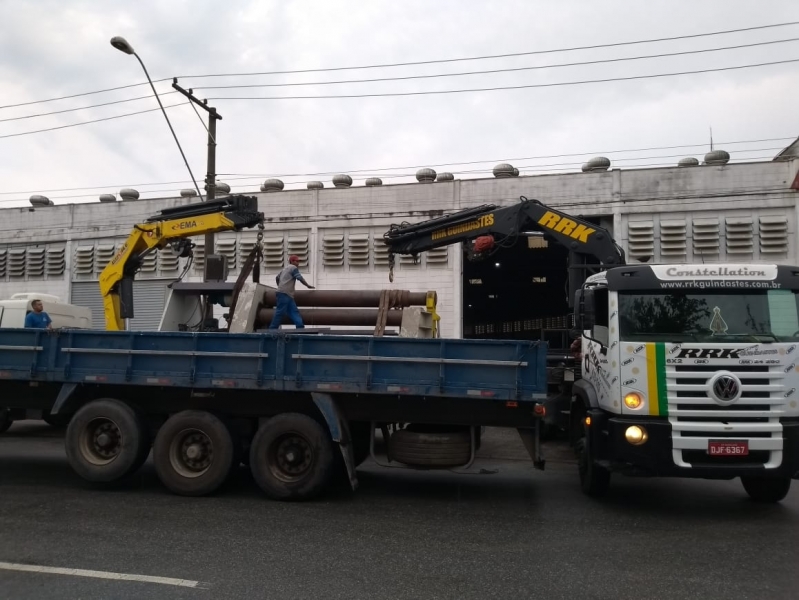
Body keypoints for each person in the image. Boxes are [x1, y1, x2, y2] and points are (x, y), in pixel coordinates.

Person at [268, 255, 314, 329]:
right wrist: (308, 285)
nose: (298, 263)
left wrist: (280, 286)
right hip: (285, 294)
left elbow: (277, 277)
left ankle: (300, 327)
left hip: (286, 294)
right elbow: (299, 278)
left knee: (293, 311)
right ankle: (272, 328)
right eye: (297, 261)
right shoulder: (293, 268)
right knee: (280, 312)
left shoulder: (285, 269)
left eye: (298, 261)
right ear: (292, 261)